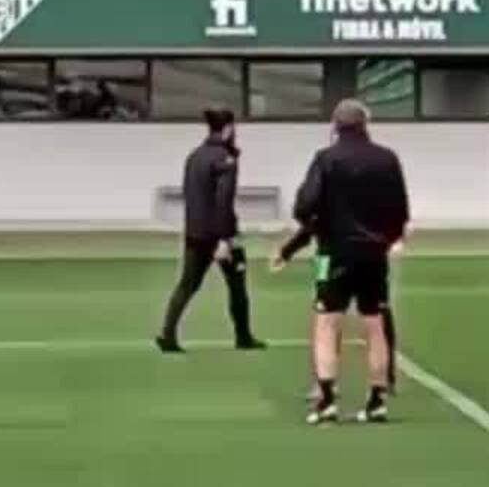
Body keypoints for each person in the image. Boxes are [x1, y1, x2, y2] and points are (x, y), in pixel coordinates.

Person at [291, 99, 409, 424]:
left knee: (327, 322)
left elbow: (304, 205)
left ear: (335, 124)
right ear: (365, 123)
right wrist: (386, 238)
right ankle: (377, 399)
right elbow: (400, 210)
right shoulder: (386, 159)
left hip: (332, 252)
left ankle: (327, 398)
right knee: (374, 325)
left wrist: (317, 225)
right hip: (374, 253)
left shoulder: (326, 159)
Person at [156, 108, 263, 353]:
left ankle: (168, 334)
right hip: (219, 233)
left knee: (187, 284)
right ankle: (243, 336)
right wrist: (225, 238)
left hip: (195, 232)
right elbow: (223, 200)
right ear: (228, 129)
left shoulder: (194, 156)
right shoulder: (225, 160)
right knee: (237, 286)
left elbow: (191, 195)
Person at [273, 220, 398, 399]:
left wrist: (287, 251)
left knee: (329, 317)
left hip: (333, 256)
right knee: (373, 314)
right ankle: (379, 380)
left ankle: (327, 384)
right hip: (360, 256)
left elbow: (311, 216)